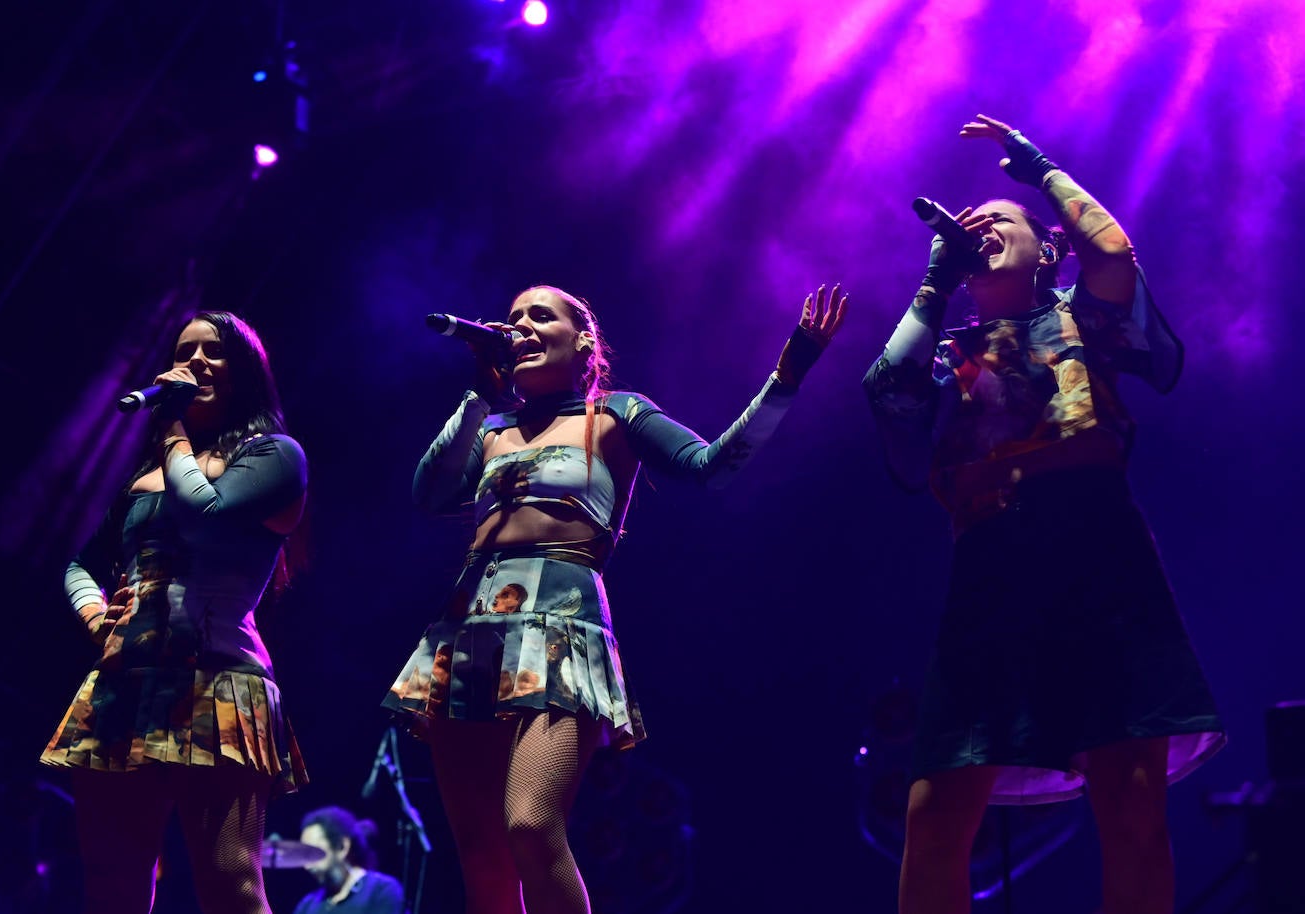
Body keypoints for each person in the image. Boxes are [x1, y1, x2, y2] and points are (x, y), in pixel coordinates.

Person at [383, 283, 846, 913]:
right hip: (468, 627)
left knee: (530, 825)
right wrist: (478, 394)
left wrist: (787, 374)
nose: (519, 326)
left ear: (584, 342)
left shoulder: (617, 413)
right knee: (482, 856)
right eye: (512, 317)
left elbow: (711, 466)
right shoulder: (490, 425)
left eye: (539, 316)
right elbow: (429, 495)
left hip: (561, 620)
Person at [863, 115, 1224, 914]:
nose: (981, 228)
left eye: (1002, 222)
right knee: (934, 819)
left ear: (1047, 250)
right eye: (970, 229)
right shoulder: (951, 349)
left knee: (1131, 812)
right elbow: (887, 390)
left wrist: (1039, 170)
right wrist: (934, 278)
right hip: (990, 571)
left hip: (1100, 559)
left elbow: (1115, 253)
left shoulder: (1084, 318)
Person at [41, 310, 310, 914]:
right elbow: (80, 563)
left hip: (218, 679)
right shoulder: (147, 478)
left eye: (213, 352)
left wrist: (172, 434)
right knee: (113, 884)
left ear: (245, 370)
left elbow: (206, 515)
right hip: (125, 686)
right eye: (183, 351)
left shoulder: (275, 456)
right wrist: (94, 616)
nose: (194, 362)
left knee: (229, 884)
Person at [293, 806, 406, 914]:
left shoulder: (381, 891)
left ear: (342, 847)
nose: (307, 866)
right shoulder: (308, 905)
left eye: (313, 853)